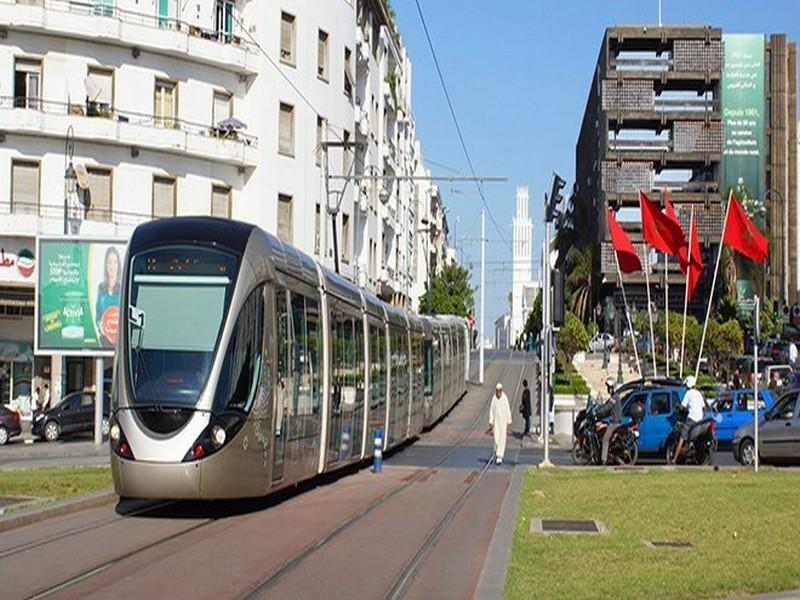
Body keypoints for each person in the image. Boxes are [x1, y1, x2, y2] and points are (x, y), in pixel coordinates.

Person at [672, 375, 705, 463]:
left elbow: (682, 406)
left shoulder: (688, 393)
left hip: (692, 418)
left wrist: (678, 406)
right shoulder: (698, 393)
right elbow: (703, 406)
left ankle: (674, 459)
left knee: (682, 438)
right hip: (700, 420)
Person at [95, 246, 121, 348]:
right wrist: (100, 326)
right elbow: (98, 315)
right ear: (106, 265)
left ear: (118, 265)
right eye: (109, 262)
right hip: (104, 341)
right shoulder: (101, 288)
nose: (112, 266)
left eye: (115, 262)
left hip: (119, 341)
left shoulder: (123, 287)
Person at [597, 377, 622, 464]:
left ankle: (603, 459)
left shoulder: (614, 397)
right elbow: (606, 406)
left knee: (605, 439)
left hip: (614, 423)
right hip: (613, 421)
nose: (608, 389)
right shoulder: (614, 397)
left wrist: (598, 411)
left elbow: (607, 407)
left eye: (609, 388)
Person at [487, 382, 512, 464]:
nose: (498, 392)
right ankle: (497, 451)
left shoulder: (505, 398)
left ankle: (499, 456)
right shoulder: (494, 398)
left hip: (503, 421)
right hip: (496, 421)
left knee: (502, 438)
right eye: (497, 391)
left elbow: (508, 409)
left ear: (501, 390)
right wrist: (491, 420)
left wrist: (509, 420)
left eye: (499, 391)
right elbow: (491, 409)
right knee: (496, 438)